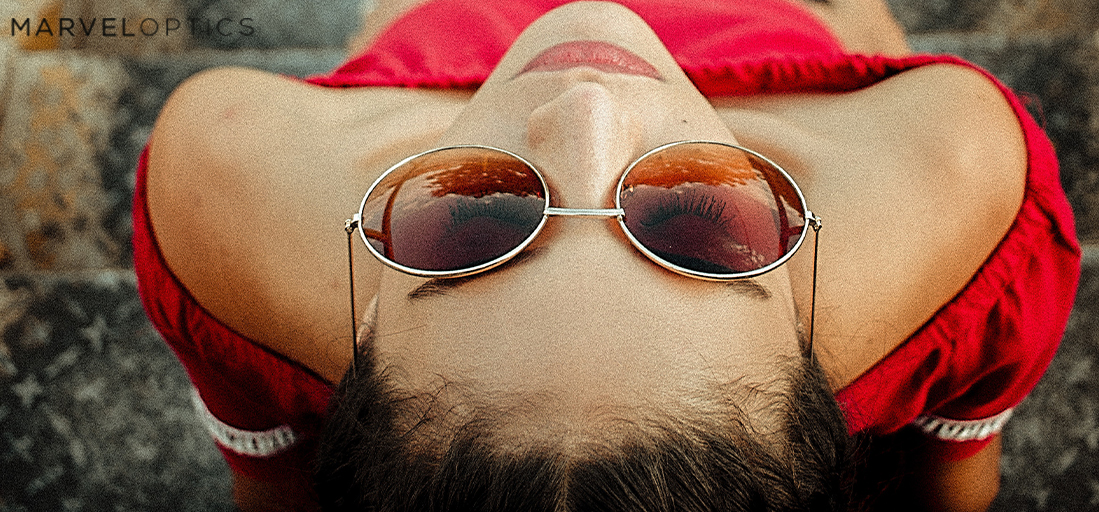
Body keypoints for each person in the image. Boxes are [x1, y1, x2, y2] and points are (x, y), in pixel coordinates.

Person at [132, 0, 1081, 510]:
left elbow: (265, 485)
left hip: (445, 39)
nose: (586, 106)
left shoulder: (225, 193)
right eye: (703, 227)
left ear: (366, 319)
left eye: (466, 227)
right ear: (802, 307)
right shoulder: (960, 191)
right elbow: (957, 473)